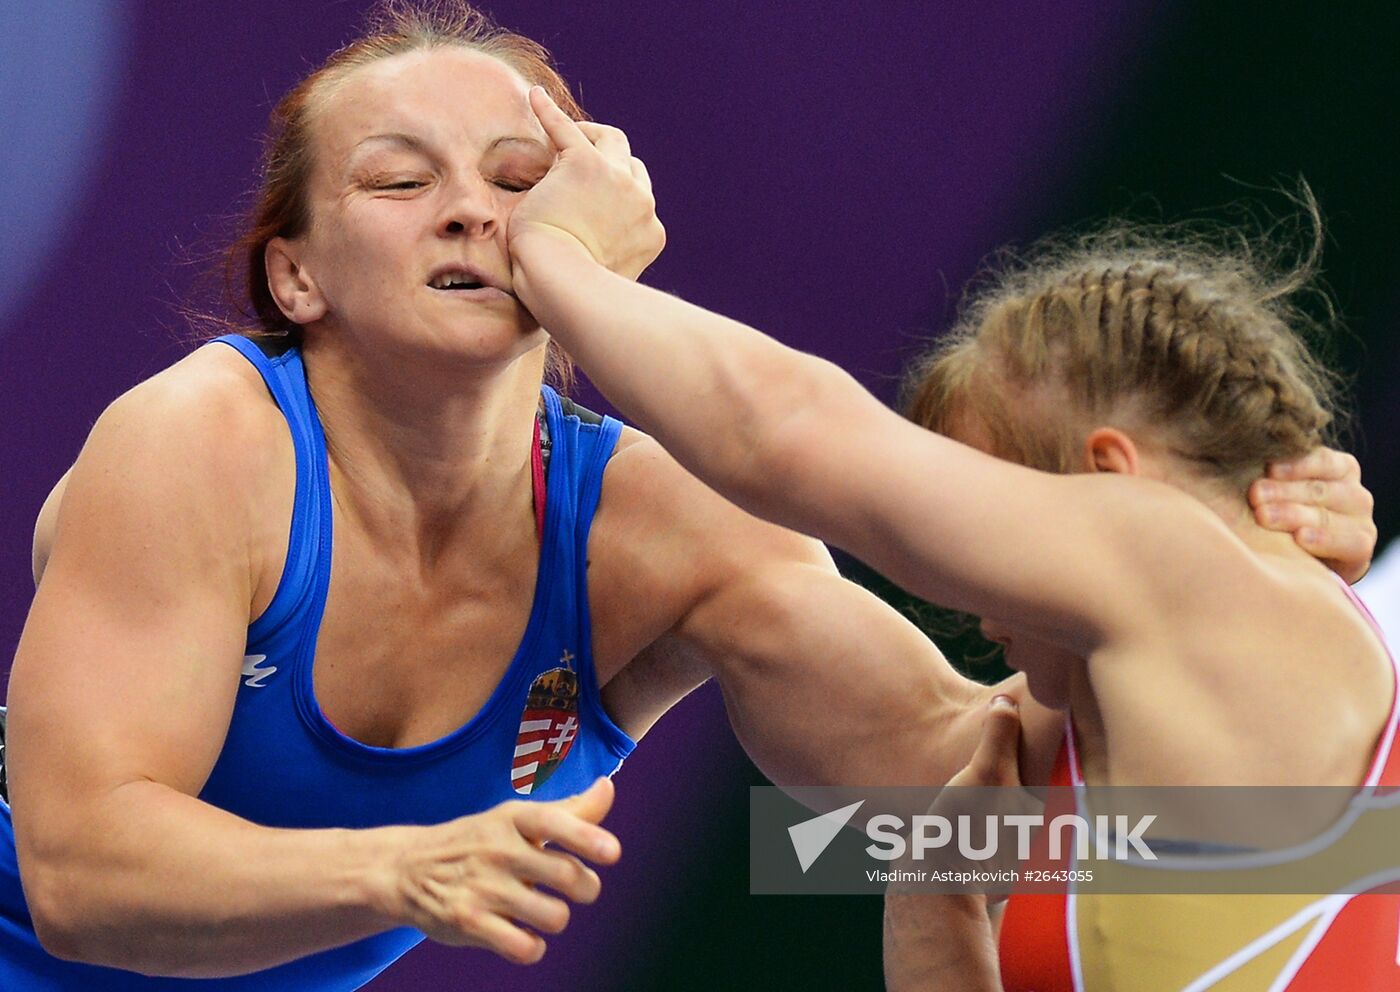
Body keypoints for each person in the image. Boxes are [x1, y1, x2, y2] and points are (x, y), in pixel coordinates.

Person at [0, 3, 1374, 988]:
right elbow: (77, 885)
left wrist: (1247, 631)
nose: (476, 213)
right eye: (401, 180)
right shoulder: (202, 445)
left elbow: (962, 817)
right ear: (296, 277)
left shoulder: (664, 533)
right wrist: (396, 870)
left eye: (520, 183)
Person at [504, 87, 1398, 989]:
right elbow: (893, 739)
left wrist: (561, 260)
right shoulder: (1123, 719)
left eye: (982, 514)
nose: (961, 596)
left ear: (1109, 477)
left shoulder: (1185, 562)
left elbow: (788, 433)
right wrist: (933, 907)